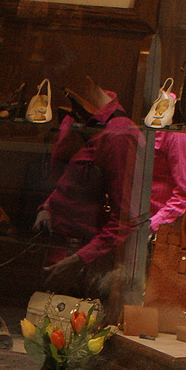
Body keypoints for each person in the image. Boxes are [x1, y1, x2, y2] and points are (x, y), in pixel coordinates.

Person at [33, 76, 144, 306]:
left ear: (87, 81)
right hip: (60, 250)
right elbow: (70, 181)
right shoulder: (80, 117)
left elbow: (126, 217)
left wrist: (78, 260)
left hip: (89, 269)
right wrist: (47, 206)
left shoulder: (119, 135)